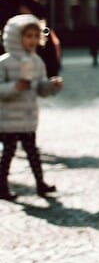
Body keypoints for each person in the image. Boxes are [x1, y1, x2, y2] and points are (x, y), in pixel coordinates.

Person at [0, 14, 62, 200]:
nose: (33, 40)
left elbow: (40, 88)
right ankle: (2, 185)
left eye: (36, 36)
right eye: (28, 36)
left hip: (28, 117)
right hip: (7, 119)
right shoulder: (4, 62)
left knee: (33, 152)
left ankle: (40, 183)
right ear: (15, 37)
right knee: (8, 154)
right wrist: (14, 87)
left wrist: (51, 86)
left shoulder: (37, 62)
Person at [0, 0, 60, 78]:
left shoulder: (34, 4)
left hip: (35, 48)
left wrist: (44, 32)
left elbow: (46, 27)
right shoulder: (5, 4)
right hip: (11, 48)